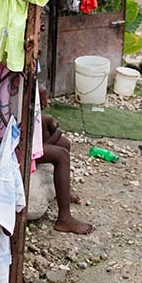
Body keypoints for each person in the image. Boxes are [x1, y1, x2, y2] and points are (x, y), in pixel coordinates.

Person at [37, 85, 94, 235]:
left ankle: (62, 192)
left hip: (31, 141)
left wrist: (53, 130)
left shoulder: (41, 116)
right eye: (41, 102)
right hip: (15, 148)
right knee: (61, 155)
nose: (45, 105)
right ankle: (64, 219)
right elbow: (38, 145)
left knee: (65, 144)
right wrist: (56, 133)